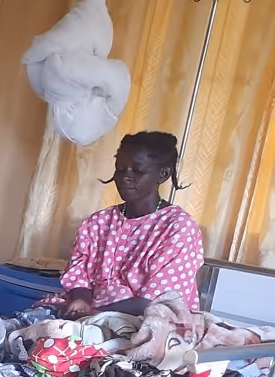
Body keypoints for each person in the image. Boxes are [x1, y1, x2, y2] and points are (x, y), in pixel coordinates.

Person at [46, 131, 204, 319]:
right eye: (120, 170)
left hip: (145, 319)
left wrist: (93, 315)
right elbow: (79, 274)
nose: (125, 177)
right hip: (89, 313)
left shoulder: (178, 227)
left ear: (163, 174)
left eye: (138, 171)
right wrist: (81, 300)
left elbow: (155, 302)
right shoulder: (98, 222)